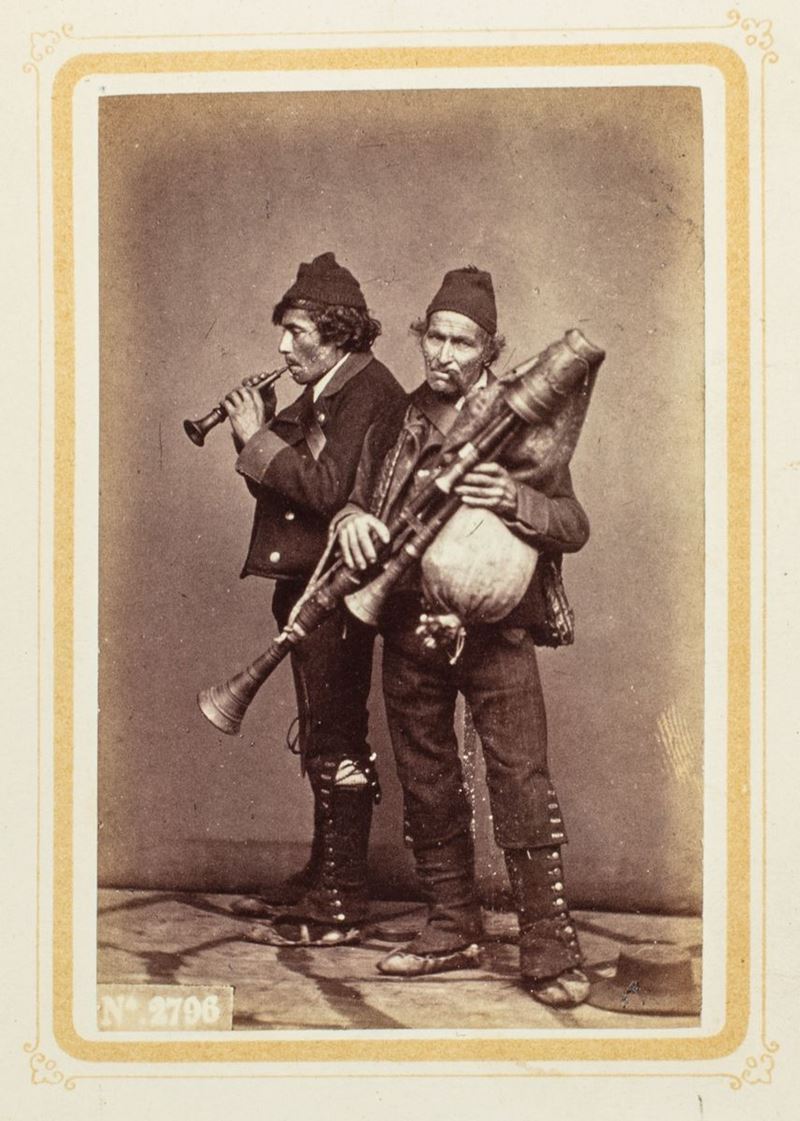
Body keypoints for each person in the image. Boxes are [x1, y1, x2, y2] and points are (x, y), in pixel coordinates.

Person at [333, 266, 592, 1006]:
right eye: (436, 337)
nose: (444, 354)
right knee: (425, 776)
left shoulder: (522, 419)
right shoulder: (394, 419)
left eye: (463, 342)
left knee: (519, 776)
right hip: (407, 619)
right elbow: (355, 500)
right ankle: (451, 925)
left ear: (490, 351)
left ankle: (548, 945)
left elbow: (573, 524)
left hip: (496, 630)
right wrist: (352, 520)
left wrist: (514, 498)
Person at [224, 251, 405, 945]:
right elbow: (289, 486)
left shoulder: (369, 391)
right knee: (324, 732)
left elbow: (329, 492)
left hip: (341, 592)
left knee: (335, 736)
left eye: (296, 331)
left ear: (337, 332)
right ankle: (325, 871)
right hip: (312, 587)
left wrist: (255, 438)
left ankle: (342, 896)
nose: (282, 346)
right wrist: (262, 431)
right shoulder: (331, 385)